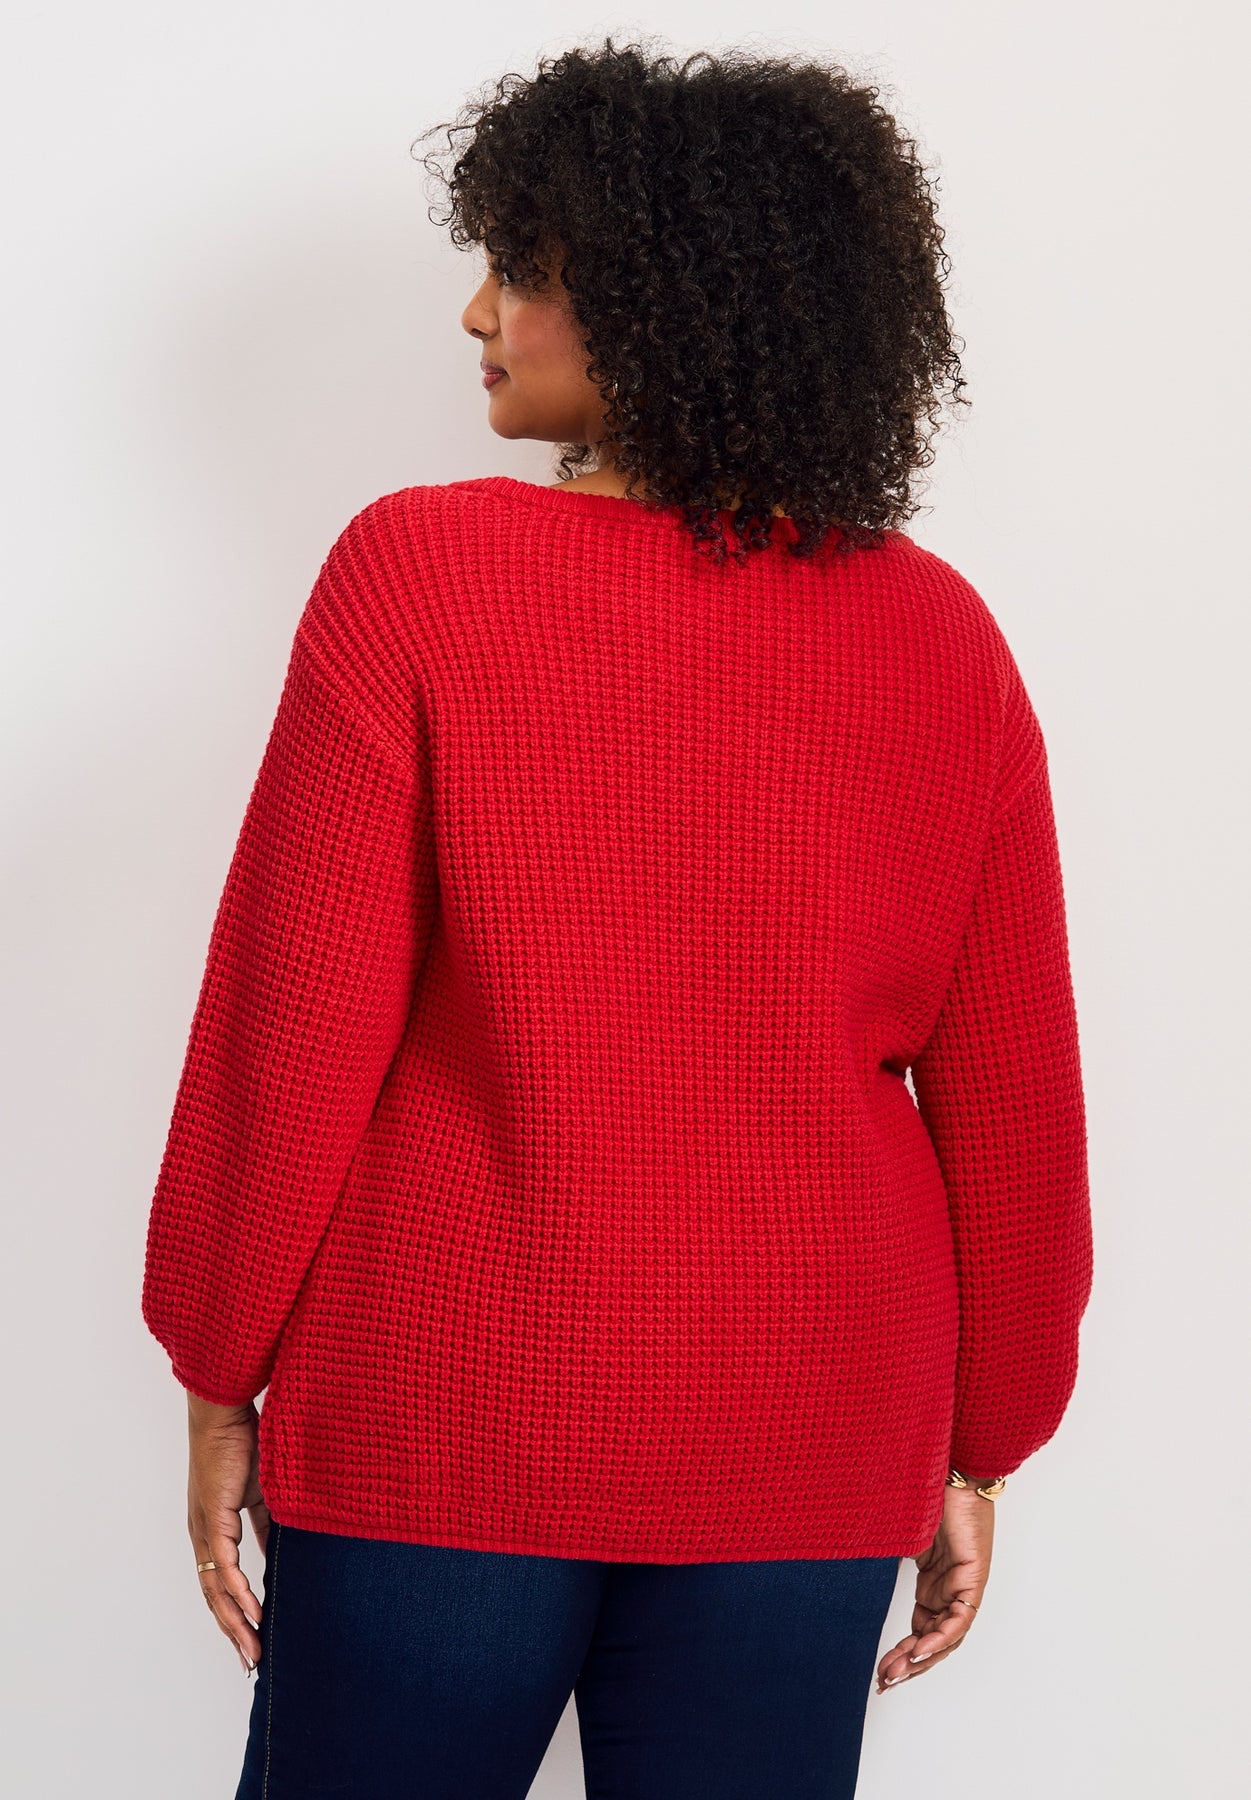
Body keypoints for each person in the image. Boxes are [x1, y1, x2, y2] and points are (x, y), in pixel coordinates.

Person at [141, 37, 1094, 1800]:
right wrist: (984, 1440)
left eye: (520, 269)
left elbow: (294, 1026)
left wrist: (217, 1362)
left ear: (658, 303)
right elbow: (1015, 1100)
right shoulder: (941, 638)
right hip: (812, 1435)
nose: (475, 312)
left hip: (448, 1417)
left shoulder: (420, 574)